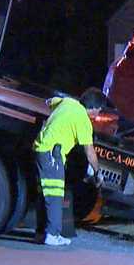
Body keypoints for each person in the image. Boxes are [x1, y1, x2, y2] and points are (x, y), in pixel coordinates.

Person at [33, 88, 106, 246]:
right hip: (52, 154)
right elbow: (89, 151)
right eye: (99, 110)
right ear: (93, 108)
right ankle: (52, 234)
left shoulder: (67, 102)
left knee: (45, 194)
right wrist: (97, 172)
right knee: (55, 195)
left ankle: (41, 233)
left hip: (42, 149)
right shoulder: (83, 120)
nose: (98, 114)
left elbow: (50, 101)